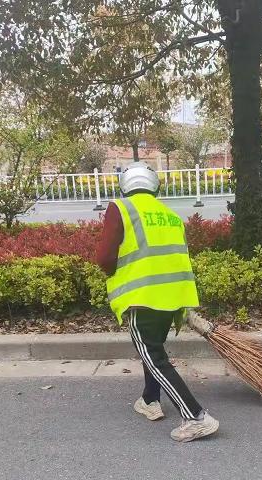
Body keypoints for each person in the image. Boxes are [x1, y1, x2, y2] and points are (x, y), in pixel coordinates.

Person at [95, 162, 219, 443]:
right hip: (172, 298)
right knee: (153, 351)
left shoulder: (121, 208)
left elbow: (104, 258)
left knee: (153, 356)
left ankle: (196, 417)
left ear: (124, 185)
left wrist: (113, 271)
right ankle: (149, 401)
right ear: (155, 185)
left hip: (143, 296)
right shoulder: (169, 214)